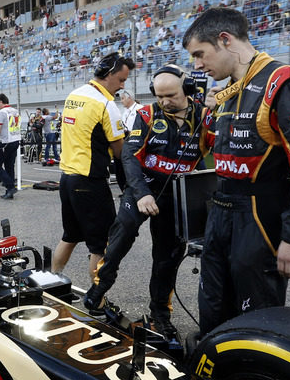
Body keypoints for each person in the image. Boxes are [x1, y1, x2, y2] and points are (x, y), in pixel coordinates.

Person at [183, 7, 290, 334]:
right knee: (211, 309)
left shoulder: (284, 82)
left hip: (260, 216)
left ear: (225, 40)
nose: (196, 65)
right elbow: (204, 148)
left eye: (199, 54)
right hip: (220, 213)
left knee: (256, 320)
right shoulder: (225, 93)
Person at [83, 66, 210, 339]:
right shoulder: (147, 115)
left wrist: (219, 112)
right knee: (122, 232)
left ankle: (161, 316)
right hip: (143, 189)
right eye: (160, 96)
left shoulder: (204, 117)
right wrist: (141, 194)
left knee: (167, 258)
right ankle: (100, 286)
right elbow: (129, 156)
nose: (165, 102)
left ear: (187, 90)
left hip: (175, 196)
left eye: (171, 96)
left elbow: (220, 148)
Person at [52, 52, 134, 281]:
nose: (122, 86)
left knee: (69, 236)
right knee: (100, 245)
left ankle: (52, 281)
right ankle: (97, 299)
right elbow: (120, 152)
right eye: (121, 80)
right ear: (108, 74)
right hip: (90, 181)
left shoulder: (74, 94)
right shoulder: (106, 104)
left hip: (66, 178)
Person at [0, 94, 22, 199]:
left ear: (0, 102)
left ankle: (10, 186)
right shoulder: (15, 111)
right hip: (15, 140)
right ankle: (9, 191)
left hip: (5, 142)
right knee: (9, 166)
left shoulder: (1, 113)